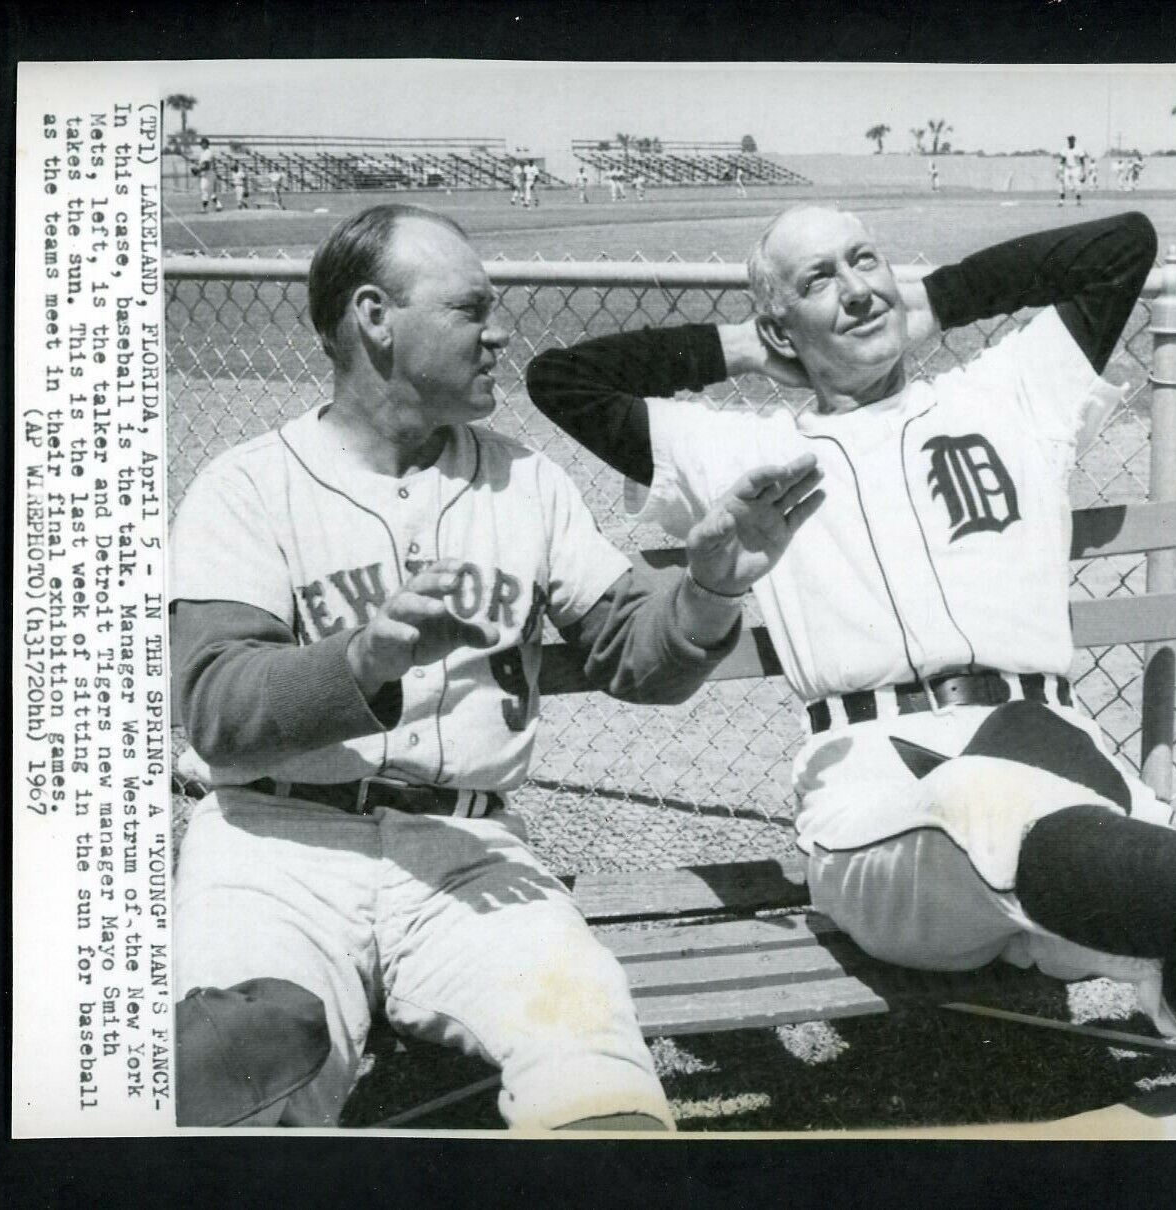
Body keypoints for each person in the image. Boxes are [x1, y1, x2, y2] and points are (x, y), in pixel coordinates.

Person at [525, 205, 1176, 1070]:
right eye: (818, 281)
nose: (857, 286)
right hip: (883, 816)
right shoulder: (733, 450)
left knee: (1167, 942)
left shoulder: (1009, 392)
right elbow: (563, 377)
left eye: (868, 260)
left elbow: (1122, 247)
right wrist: (754, 348)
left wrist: (921, 307)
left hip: (1064, 767)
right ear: (781, 326)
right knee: (982, 797)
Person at [168, 203, 823, 1129]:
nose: (499, 330)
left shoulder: (528, 481)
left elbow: (639, 662)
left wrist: (709, 591)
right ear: (374, 318)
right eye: (471, 308)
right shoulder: (246, 486)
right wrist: (361, 658)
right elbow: (214, 707)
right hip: (275, 848)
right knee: (243, 1058)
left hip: (472, 856)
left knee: (591, 1059)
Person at [189, 137, 221, 212]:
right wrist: (197, 167)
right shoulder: (204, 153)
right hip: (207, 173)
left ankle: (204, 208)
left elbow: (206, 165)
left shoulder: (208, 152)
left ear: (206, 144)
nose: (201, 145)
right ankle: (218, 204)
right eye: (201, 144)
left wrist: (197, 170)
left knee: (204, 189)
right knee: (209, 191)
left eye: (203, 143)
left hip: (209, 173)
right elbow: (203, 164)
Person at [1056, 134, 1088, 206]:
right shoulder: (1065, 149)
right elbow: (1062, 161)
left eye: (1071, 140)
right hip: (1067, 168)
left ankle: (1078, 201)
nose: (1070, 141)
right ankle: (1061, 201)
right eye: (1069, 140)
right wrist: (1059, 171)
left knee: (1077, 185)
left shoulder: (1079, 149)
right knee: (1063, 182)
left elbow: (1082, 161)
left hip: (1076, 168)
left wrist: (1084, 173)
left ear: (1074, 140)